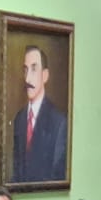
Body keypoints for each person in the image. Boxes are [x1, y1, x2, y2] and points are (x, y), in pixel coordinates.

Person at [12, 45, 68, 182]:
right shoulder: (19, 119)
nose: (27, 79)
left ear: (45, 75)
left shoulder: (59, 122)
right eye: (25, 70)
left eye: (34, 69)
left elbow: (57, 176)